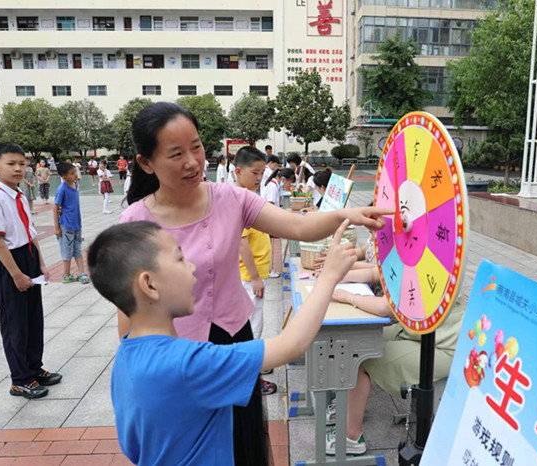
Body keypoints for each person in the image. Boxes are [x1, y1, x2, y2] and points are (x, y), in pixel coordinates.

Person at [119, 102, 389, 466]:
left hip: (232, 337)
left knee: (241, 438)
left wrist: (347, 214)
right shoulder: (135, 222)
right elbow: (129, 318)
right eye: (176, 154)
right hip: (178, 353)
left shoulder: (229, 198)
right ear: (146, 163)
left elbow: (297, 226)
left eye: (196, 147)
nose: (193, 162)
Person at [88, 219, 356, 465]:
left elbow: (132, 446)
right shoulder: (189, 364)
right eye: (180, 259)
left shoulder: (126, 355)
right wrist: (329, 276)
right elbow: (291, 345)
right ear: (149, 285)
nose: (192, 266)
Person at [322, 265, 466, 456]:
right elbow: (376, 271)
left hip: (443, 346)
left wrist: (348, 297)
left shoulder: (429, 262)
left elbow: (384, 308)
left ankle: (351, 437)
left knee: (362, 357)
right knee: (355, 341)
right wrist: (335, 275)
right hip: (418, 332)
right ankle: (347, 407)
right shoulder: (418, 255)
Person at [0, 142, 61, 399]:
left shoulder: (18, 195)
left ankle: (34, 369)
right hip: (9, 262)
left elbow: (30, 232)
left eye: (22, 164)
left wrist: (40, 263)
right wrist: (16, 274)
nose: (18, 168)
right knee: (15, 323)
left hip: (27, 255)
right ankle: (20, 379)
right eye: (11, 164)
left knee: (33, 319)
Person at [234, 146, 277, 396]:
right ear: (239, 171)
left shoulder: (248, 195)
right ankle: (251, 378)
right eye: (255, 173)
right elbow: (242, 244)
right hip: (249, 277)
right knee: (253, 326)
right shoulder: (240, 200)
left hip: (252, 274)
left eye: (262, 173)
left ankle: (255, 368)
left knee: (254, 324)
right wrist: (256, 277)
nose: (260, 178)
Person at [53, 162, 89, 285]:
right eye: (72, 173)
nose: (75, 175)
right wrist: (57, 227)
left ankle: (82, 273)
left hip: (76, 223)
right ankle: (66, 274)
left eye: (75, 172)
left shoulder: (75, 185)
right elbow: (55, 207)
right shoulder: (62, 189)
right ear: (64, 177)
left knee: (77, 248)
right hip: (66, 224)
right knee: (67, 250)